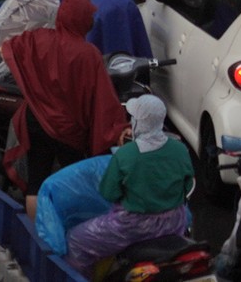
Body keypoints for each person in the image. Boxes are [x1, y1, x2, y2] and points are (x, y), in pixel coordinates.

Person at [1, 0, 128, 212]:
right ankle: (68, 231)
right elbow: (103, 98)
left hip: (36, 118)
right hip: (69, 129)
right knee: (74, 180)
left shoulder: (38, 38)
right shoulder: (88, 54)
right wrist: (120, 127)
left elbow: (7, 49)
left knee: (36, 181)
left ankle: (38, 235)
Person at [64, 96, 195, 272]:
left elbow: (109, 193)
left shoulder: (125, 154)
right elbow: (187, 185)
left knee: (75, 239)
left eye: (133, 118)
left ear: (138, 122)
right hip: (175, 221)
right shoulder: (180, 149)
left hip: (134, 226)